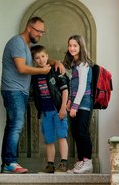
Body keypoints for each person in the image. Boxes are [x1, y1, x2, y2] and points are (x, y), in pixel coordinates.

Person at [0, 16, 65, 174]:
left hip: (20, 91)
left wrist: (55, 61)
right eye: (38, 31)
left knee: (13, 125)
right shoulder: (17, 42)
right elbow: (22, 68)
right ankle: (9, 162)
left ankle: (8, 163)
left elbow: (40, 59)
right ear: (29, 28)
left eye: (42, 32)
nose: (40, 34)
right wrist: (42, 71)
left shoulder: (26, 47)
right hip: (13, 90)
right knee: (16, 125)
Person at [31, 45, 69, 174]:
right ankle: (50, 165)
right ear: (34, 61)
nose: (41, 60)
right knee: (49, 139)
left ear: (47, 57)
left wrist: (63, 107)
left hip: (58, 110)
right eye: (37, 58)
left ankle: (63, 163)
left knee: (61, 136)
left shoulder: (55, 70)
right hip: (46, 112)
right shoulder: (34, 76)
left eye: (43, 56)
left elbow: (65, 90)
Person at [63, 35, 94, 174]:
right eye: (70, 45)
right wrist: (70, 100)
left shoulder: (83, 64)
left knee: (82, 132)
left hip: (84, 103)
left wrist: (75, 106)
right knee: (76, 133)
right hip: (76, 102)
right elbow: (73, 85)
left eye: (75, 45)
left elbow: (82, 87)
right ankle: (81, 161)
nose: (72, 48)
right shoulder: (75, 65)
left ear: (81, 47)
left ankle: (88, 162)